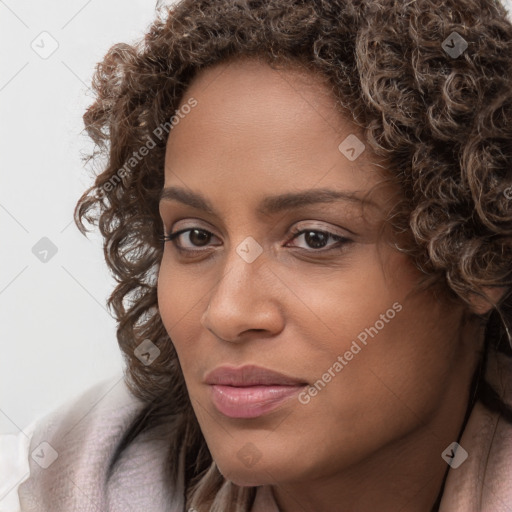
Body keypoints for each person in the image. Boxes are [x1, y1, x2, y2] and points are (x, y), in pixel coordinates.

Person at [5, 0, 512, 510]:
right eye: (194, 237)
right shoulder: (51, 483)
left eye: (315, 238)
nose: (226, 313)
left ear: (480, 260)